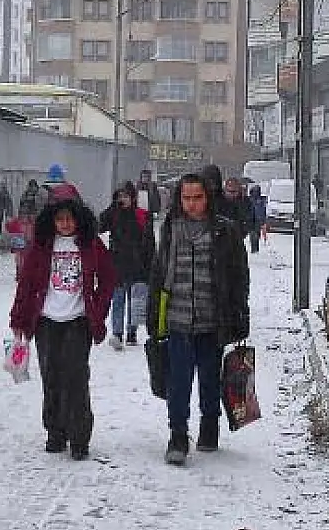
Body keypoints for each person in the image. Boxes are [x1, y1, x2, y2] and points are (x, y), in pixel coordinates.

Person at [146, 173, 250, 466]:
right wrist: (155, 316)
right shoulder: (170, 227)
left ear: (208, 198)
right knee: (178, 382)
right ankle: (177, 435)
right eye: (186, 198)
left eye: (198, 198)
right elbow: (159, 271)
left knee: (209, 379)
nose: (192, 204)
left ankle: (209, 426)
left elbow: (238, 276)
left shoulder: (224, 230)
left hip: (212, 319)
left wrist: (240, 316)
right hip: (178, 320)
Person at [9, 189, 115, 460]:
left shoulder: (91, 245)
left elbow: (108, 278)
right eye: (60, 219)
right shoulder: (42, 247)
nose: (65, 224)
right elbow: (27, 284)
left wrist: (98, 310)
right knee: (51, 376)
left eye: (70, 218)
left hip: (78, 321)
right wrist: (19, 317)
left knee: (76, 378)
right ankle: (55, 431)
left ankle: (79, 437)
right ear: (51, 221)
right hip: (46, 322)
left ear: (79, 218)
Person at [99, 182, 155, 349]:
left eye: (125, 196)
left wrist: (150, 263)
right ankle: (117, 332)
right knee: (118, 299)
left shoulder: (142, 215)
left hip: (138, 263)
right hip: (117, 262)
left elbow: (150, 241)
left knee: (135, 299)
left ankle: (131, 331)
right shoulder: (114, 214)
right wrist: (112, 208)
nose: (122, 199)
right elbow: (100, 226)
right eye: (119, 196)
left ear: (133, 197)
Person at [248, 184, 268, 254]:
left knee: (255, 234)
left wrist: (263, 221)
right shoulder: (252, 200)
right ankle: (254, 248)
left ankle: (255, 248)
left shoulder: (260, 200)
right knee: (254, 234)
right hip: (253, 219)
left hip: (256, 219)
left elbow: (263, 211)